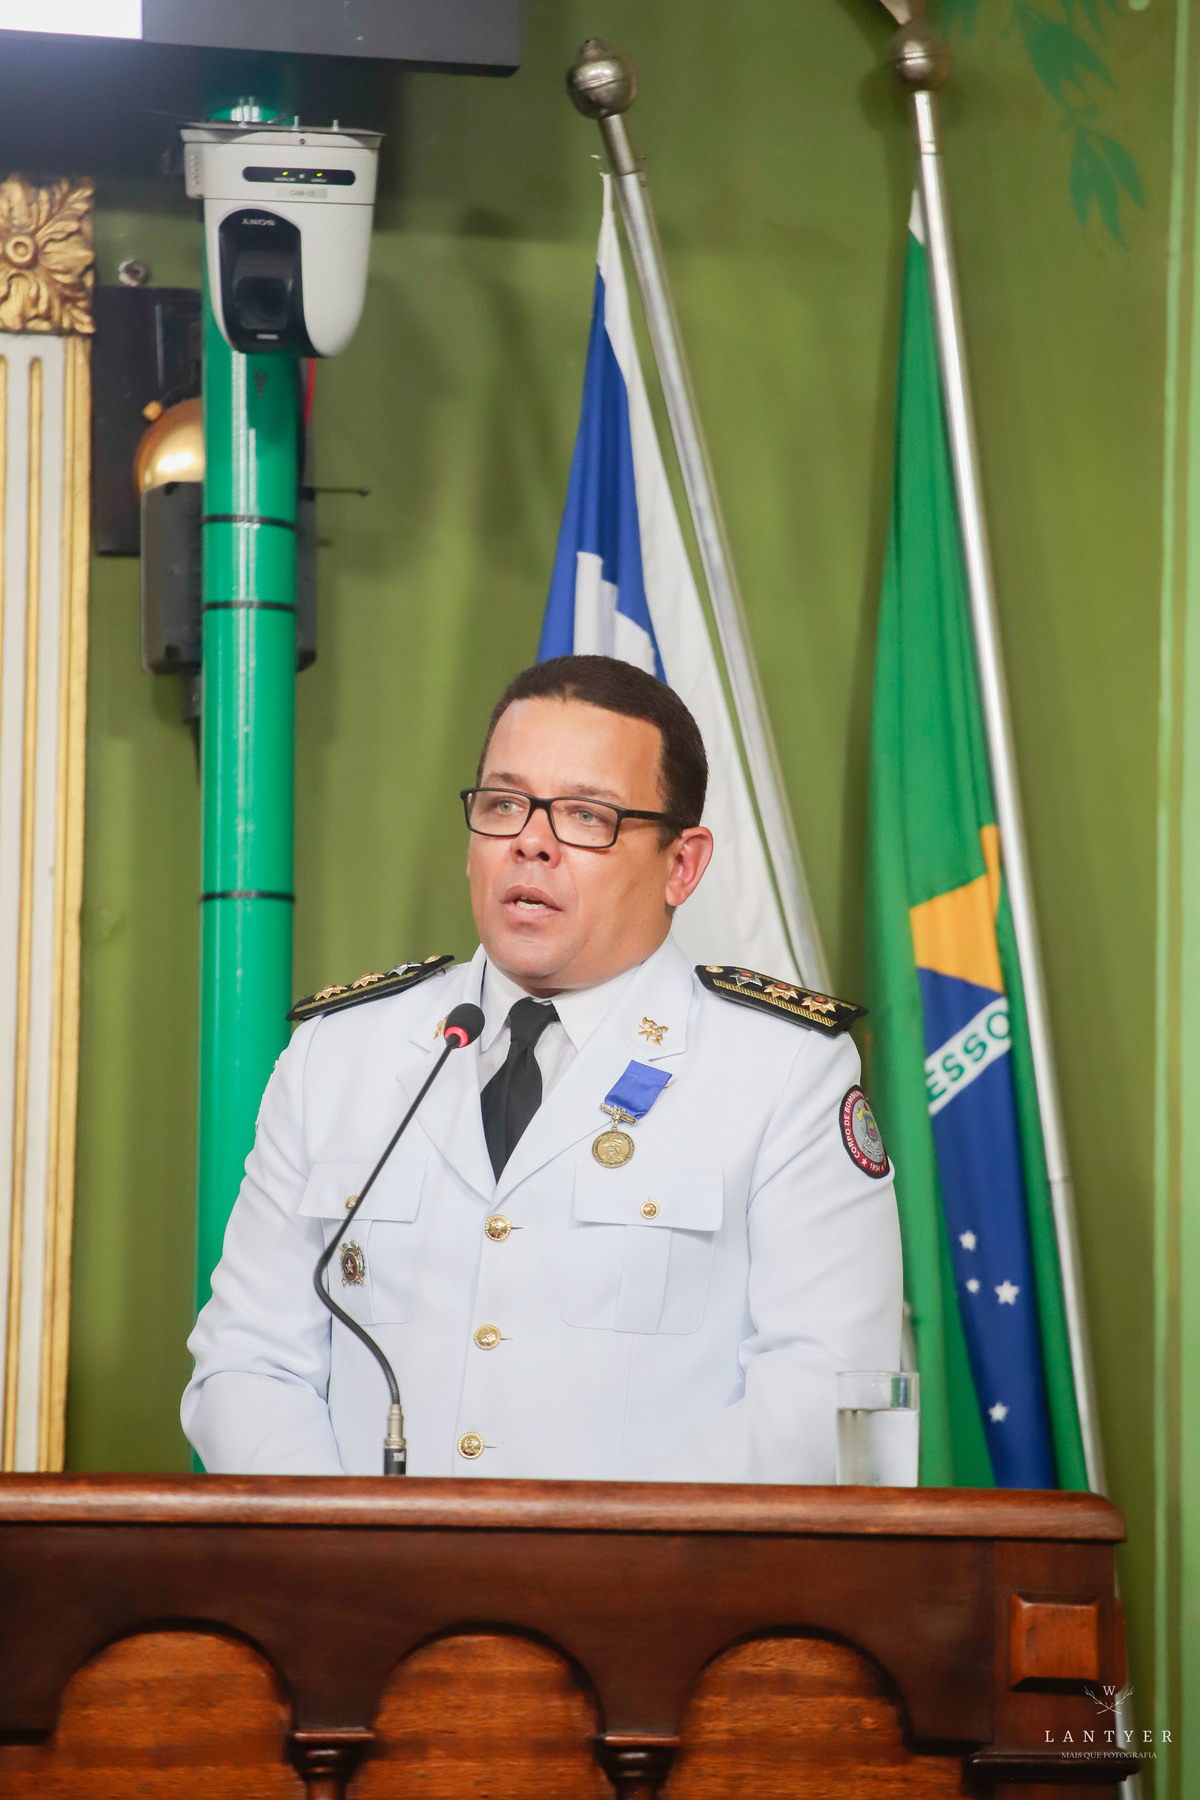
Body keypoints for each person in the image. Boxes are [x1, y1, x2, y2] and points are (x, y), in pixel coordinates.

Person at [182, 654, 902, 1481]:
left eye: (587, 816)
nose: (531, 842)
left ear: (682, 865)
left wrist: (573, 1568)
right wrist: (357, 1555)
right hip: (366, 1597)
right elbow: (246, 1364)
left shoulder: (784, 1074)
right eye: (503, 804)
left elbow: (824, 1397)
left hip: (645, 1601)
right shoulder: (340, 1056)